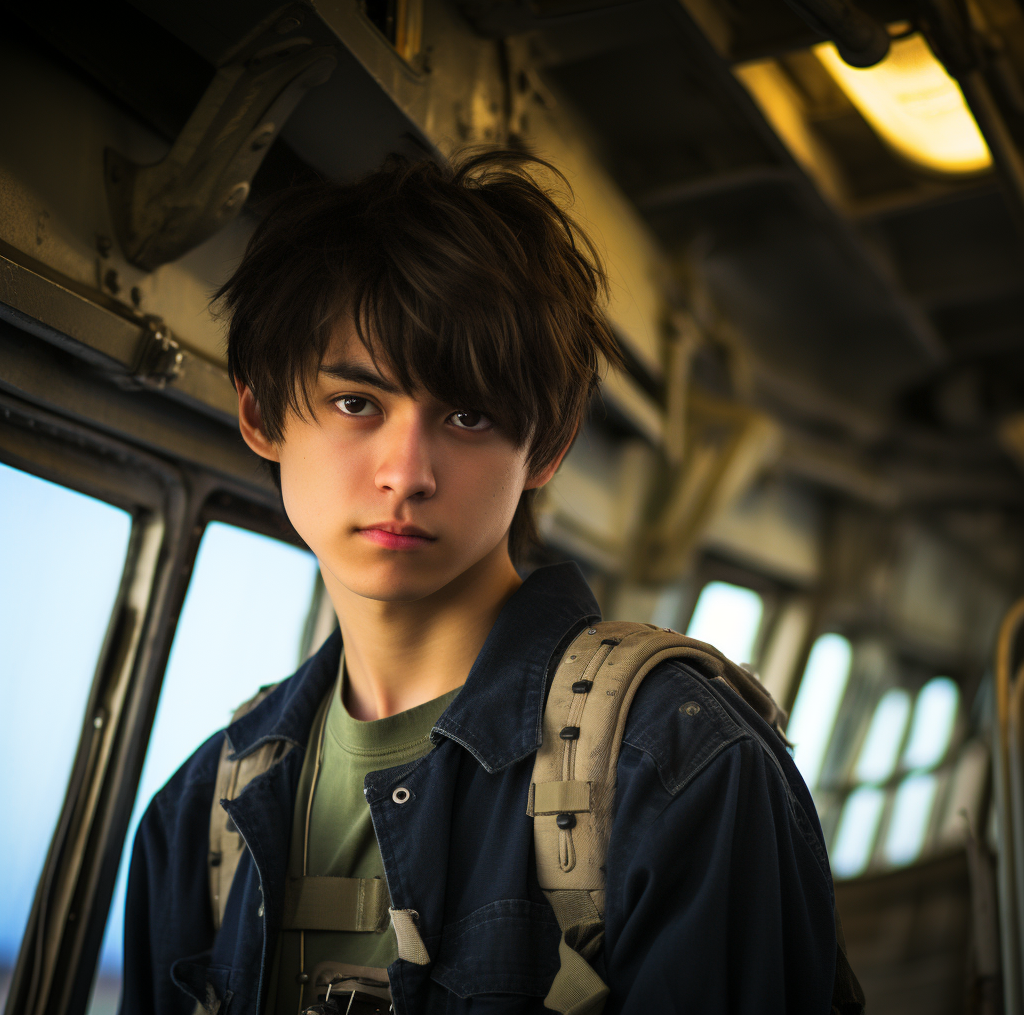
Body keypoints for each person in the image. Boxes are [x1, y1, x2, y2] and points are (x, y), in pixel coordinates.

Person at [120, 150, 840, 1015]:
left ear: (547, 447)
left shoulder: (680, 770)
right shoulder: (202, 813)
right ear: (261, 413)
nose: (408, 472)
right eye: (358, 403)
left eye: (468, 415)